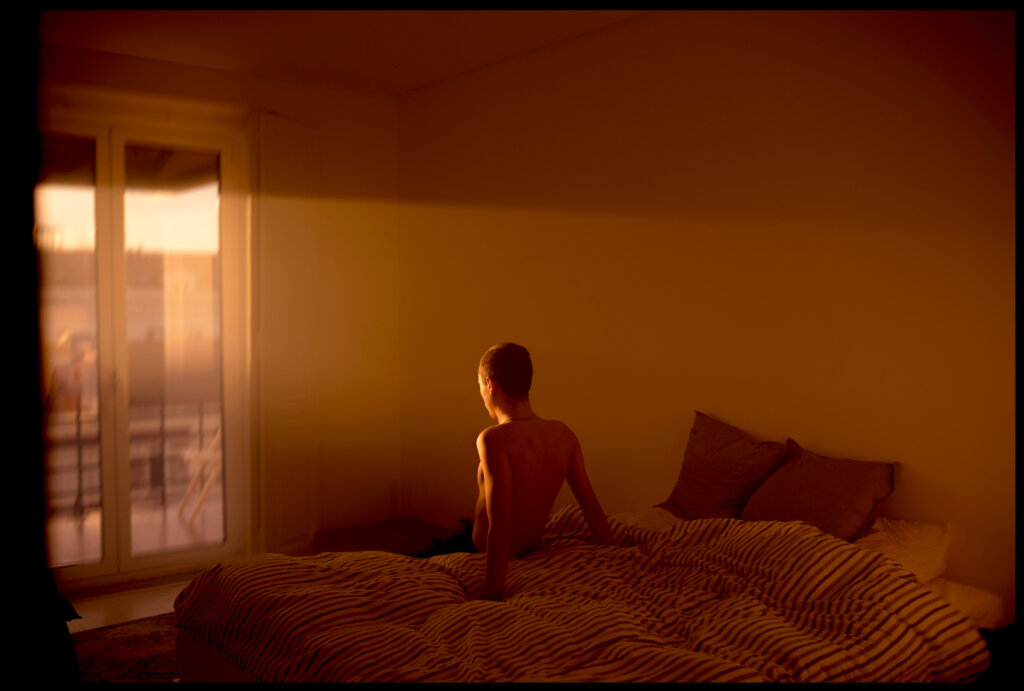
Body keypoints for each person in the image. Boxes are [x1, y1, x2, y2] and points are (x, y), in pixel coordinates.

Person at [471, 342, 612, 601]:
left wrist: (488, 597)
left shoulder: (493, 439)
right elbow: (592, 510)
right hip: (532, 547)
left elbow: (500, 528)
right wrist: (612, 558)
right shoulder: (564, 435)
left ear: (490, 384)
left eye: (480, 386)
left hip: (483, 552)